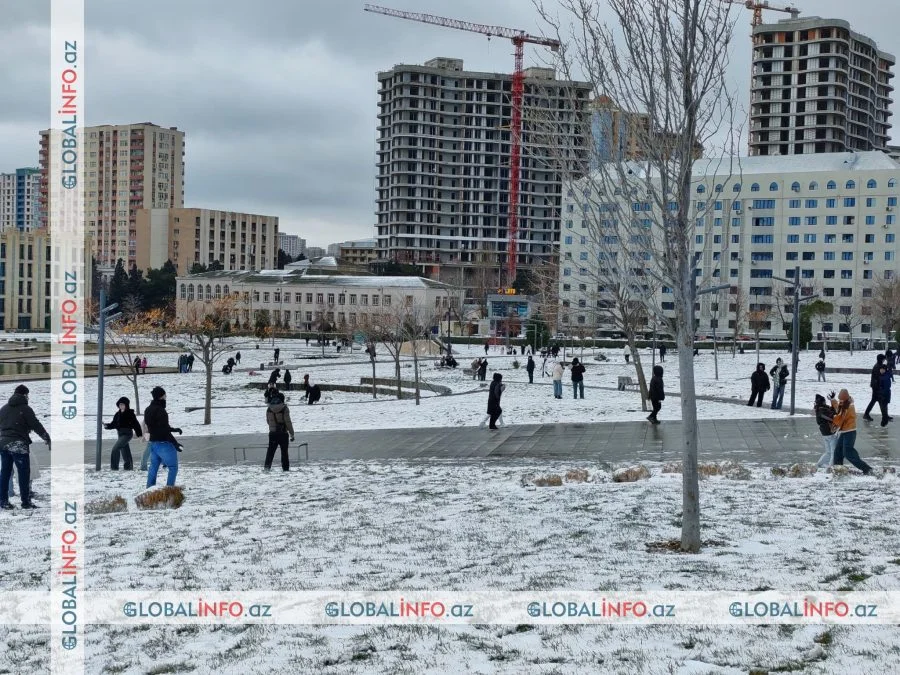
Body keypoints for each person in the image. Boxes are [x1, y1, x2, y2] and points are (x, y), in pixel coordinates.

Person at [0, 385, 51, 510]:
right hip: (19, 444)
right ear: (24, 395)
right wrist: (46, 437)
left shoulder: (4, 408)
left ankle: (3, 501)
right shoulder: (25, 408)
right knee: (23, 474)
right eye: (27, 395)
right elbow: (36, 424)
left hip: (3, 443)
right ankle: (26, 502)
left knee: (5, 473)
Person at [142, 386, 183, 488]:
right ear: (161, 396)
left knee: (153, 467)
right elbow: (164, 430)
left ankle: (149, 489)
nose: (166, 397)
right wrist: (175, 443)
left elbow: (156, 427)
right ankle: (169, 490)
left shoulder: (148, 409)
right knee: (173, 467)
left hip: (153, 443)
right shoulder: (161, 411)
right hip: (164, 444)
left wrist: (174, 429)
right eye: (164, 395)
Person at [830, 389, 873, 474]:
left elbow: (839, 418)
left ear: (846, 398)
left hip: (850, 432)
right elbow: (838, 408)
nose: (840, 401)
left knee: (848, 453)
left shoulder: (849, 407)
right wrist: (832, 400)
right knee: (838, 451)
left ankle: (867, 469)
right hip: (844, 432)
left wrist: (831, 418)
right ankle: (838, 469)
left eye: (841, 400)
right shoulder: (845, 404)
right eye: (839, 400)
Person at [105, 396, 142, 471]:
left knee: (115, 449)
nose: (121, 406)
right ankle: (129, 467)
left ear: (126, 405)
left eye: (122, 404)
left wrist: (139, 434)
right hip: (120, 434)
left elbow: (136, 424)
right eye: (120, 404)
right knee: (125, 451)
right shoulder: (117, 414)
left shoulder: (130, 413)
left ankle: (114, 468)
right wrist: (107, 426)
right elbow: (114, 424)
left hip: (127, 434)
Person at [264, 390, 295, 472]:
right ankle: (285, 468)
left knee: (270, 451)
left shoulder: (269, 408)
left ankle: (267, 467)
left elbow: (268, 421)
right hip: (283, 433)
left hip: (272, 433)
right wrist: (292, 433)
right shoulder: (284, 408)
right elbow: (288, 422)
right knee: (284, 452)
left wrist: (273, 427)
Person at [815, 393, 838, 468]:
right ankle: (831, 467)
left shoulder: (820, 408)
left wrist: (832, 400)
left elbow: (832, 410)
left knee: (828, 452)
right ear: (822, 402)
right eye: (824, 401)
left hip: (825, 433)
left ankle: (819, 464)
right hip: (829, 432)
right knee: (833, 452)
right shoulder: (822, 410)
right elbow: (832, 416)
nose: (825, 402)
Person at [863, 354, 887, 421]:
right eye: (883, 359)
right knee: (879, 401)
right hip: (876, 387)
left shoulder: (879, 366)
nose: (884, 360)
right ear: (881, 359)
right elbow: (878, 377)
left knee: (877, 401)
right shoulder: (878, 367)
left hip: (876, 386)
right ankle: (867, 414)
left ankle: (867, 414)